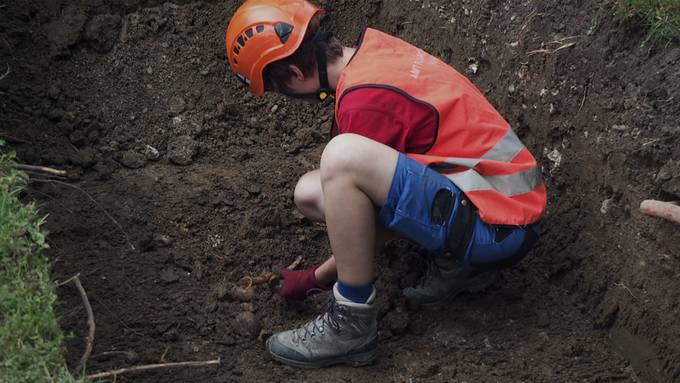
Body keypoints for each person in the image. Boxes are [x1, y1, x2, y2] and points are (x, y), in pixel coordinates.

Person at [225, 0, 546, 368]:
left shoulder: (364, 101)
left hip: (500, 226)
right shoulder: (373, 53)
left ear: (296, 74)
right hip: (499, 202)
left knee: (341, 159)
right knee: (312, 192)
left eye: (280, 90)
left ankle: (350, 323)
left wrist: (317, 277)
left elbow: (372, 219)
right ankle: (458, 262)